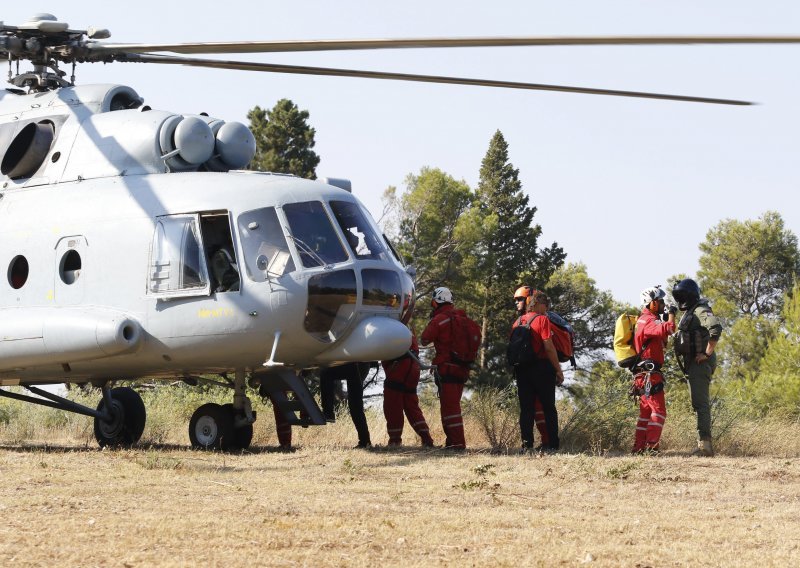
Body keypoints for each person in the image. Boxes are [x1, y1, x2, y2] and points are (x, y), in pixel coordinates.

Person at [672, 278, 723, 457]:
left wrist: (707, 354)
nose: (679, 300)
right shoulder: (691, 311)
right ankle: (703, 444)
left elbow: (715, 328)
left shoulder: (701, 309)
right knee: (697, 403)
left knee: (701, 404)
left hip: (700, 363)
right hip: (693, 363)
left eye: (681, 296)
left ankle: (705, 447)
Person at [510, 289, 564, 453]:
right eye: (545, 305)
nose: (546, 309)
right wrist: (558, 370)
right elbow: (548, 347)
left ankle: (527, 446)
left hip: (522, 369)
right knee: (548, 407)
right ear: (538, 304)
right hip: (541, 368)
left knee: (526, 409)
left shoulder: (517, 322)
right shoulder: (542, 320)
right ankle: (553, 445)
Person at [420, 286, 470, 450]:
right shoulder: (461, 318)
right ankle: (451, 442)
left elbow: (425, 339)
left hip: (447, 369)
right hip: (462, 369)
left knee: (450, 409)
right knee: (452, 405)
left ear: (436, 301)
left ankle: (457, 444)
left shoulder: (440, 319)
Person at [631, 285, 677, 454]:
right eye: (660, 302)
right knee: (659, 411)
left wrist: (664, 320)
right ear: (651, 303)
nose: (663, 304)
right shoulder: (648, 320)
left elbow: (664, 340)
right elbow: (671, 329)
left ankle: (639, 448)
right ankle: (651, 447)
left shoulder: (645, 320)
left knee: (645, 413)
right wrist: (671, 314)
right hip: (650, 375)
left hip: (643, 374)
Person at [381, 330, 435, 447]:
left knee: (393, 405)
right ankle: (426, 439)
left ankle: (395, 441)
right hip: (413, 368)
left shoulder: (392, 328)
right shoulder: (406, 331)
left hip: (398, 368)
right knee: (411, 406)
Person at [512, 286, 550, 448]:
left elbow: (549, 346)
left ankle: (545, 442)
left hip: (539, 368)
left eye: (520, 299)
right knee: (530, 408)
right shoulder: (518, 322)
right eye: (516, 300)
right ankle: (531, 443)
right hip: (526, 369)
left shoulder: (542, 319)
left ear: (529, 300)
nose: (517, 303)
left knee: (539, 407)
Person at [320, 362, 373, 448]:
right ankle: (365, 441)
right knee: (355, 405)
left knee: (326, 374)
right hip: (362, 365)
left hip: (355, 365)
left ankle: (328, 413)